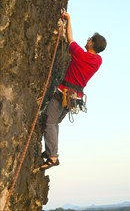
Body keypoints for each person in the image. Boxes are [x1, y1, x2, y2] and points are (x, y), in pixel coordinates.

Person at [40, 12, 107, 170]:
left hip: (65, 93)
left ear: (92, 43)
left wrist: (68, 19)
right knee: (54, 122)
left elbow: (70, 39)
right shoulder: (98, 61)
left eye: (89, 39)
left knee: (49, 120)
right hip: (75, 97)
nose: (87, 40)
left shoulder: (81, 55)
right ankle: (51, 151)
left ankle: (52, 156)